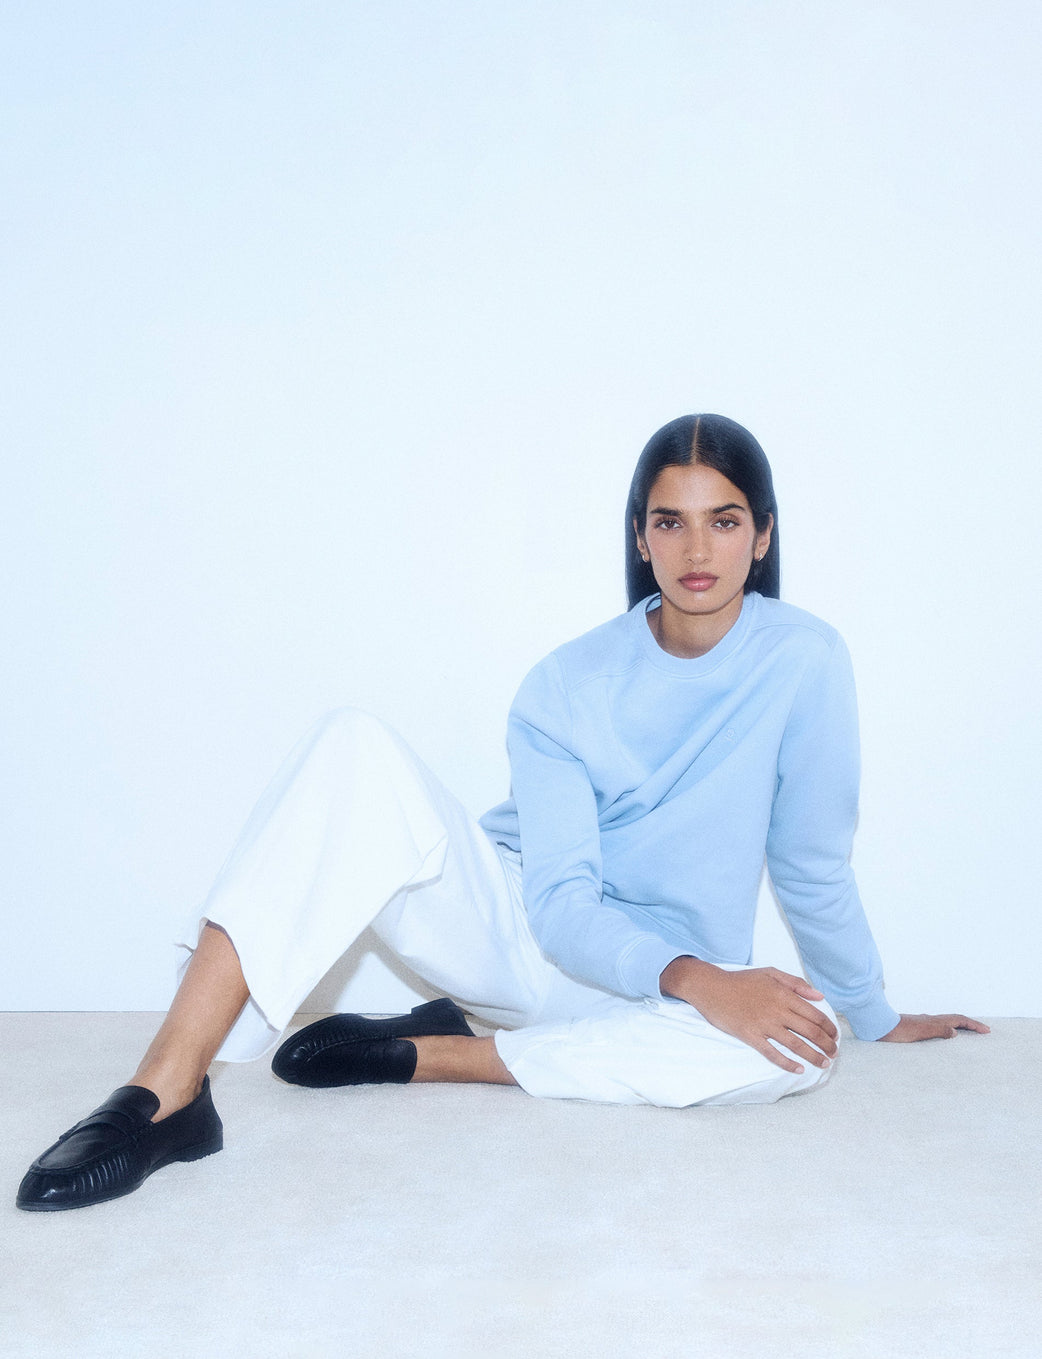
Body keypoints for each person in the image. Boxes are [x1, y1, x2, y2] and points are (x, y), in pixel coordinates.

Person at [16, 413, 988, 1212]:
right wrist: (700, 979)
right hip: (527, 934)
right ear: (640, 537)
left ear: (762, 535)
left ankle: (435, 1053)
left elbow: (812, 861)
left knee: (802, 1053)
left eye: (724, 521)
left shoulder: (806, 661)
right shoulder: (567, 684)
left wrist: (871, 1014)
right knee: (354, 746)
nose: (697, 549)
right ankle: (167, 1093)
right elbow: (560, 909)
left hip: (652, 992)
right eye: (670, 521)